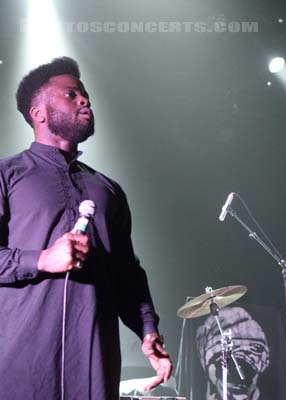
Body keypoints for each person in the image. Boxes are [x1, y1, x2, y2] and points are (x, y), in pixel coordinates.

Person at [0, 57, 172, 399]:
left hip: (95, 367)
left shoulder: (107, 189)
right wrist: (42, 259)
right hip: (20, 366)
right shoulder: (7, 175)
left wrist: (147, 330)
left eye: (85, 93)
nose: (85, 100)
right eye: (71, 94)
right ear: (39, 113)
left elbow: (128, 272)